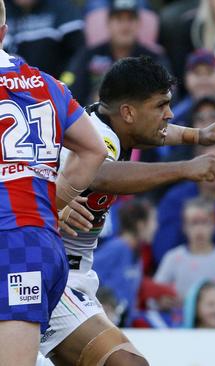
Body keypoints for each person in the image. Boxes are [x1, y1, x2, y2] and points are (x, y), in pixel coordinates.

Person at [40, 56, 215, 366]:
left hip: (69, 272)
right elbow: (98, 173)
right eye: (160, 106)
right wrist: (185, 167)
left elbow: (159, 131)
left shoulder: (111, 125)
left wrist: (197, 135)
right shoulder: (100, 140)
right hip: (49, 273)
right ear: (128, 112)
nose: (168, 114)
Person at [0, 1, 106, 364]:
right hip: (37, 242)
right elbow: (93, 149)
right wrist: (52, 202)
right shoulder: (46, 83)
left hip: (13, 249)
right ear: (4, 32)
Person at [61, 0, 170, 105]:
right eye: (119, 19)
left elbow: (169, 94)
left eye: (130, 19)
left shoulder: (154, 59)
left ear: (139, 24)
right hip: (92, 119)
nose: (125, 25)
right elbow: (69, 90)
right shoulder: (88, 55)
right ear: (108, 24)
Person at [154, 197, 215, 300]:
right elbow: (154, 295)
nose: (199, 229)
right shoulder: (173, 258)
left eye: (205, 222)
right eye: (193, 223)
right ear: (184, 226)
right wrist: (162, 300)